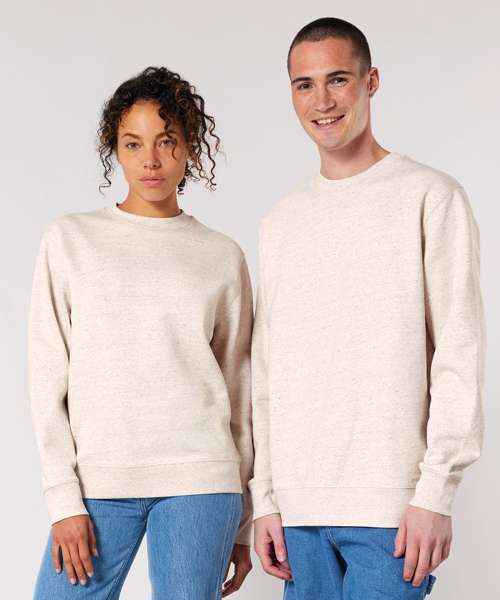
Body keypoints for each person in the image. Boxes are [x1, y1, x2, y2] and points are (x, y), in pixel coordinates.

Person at [248, 17, 486, 600]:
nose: (322, 101)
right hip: (299, 513)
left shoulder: (430, 197)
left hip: (392, 510)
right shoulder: (280, 222)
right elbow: (268, 371)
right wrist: (267, 499)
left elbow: (458, 353)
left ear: (371, 81)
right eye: (304, 85)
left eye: (338, 79)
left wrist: (435, 493)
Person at [29, 66, 253, 599]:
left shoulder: (221, 255)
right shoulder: (71, 240)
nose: (150, 160)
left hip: (201, 480)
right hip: (99, 480)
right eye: (133, 144)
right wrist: (63, 500)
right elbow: (45, 378)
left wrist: (244, 520)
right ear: (115, 148)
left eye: (166, 141)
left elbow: (241, 390)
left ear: (190, 147)